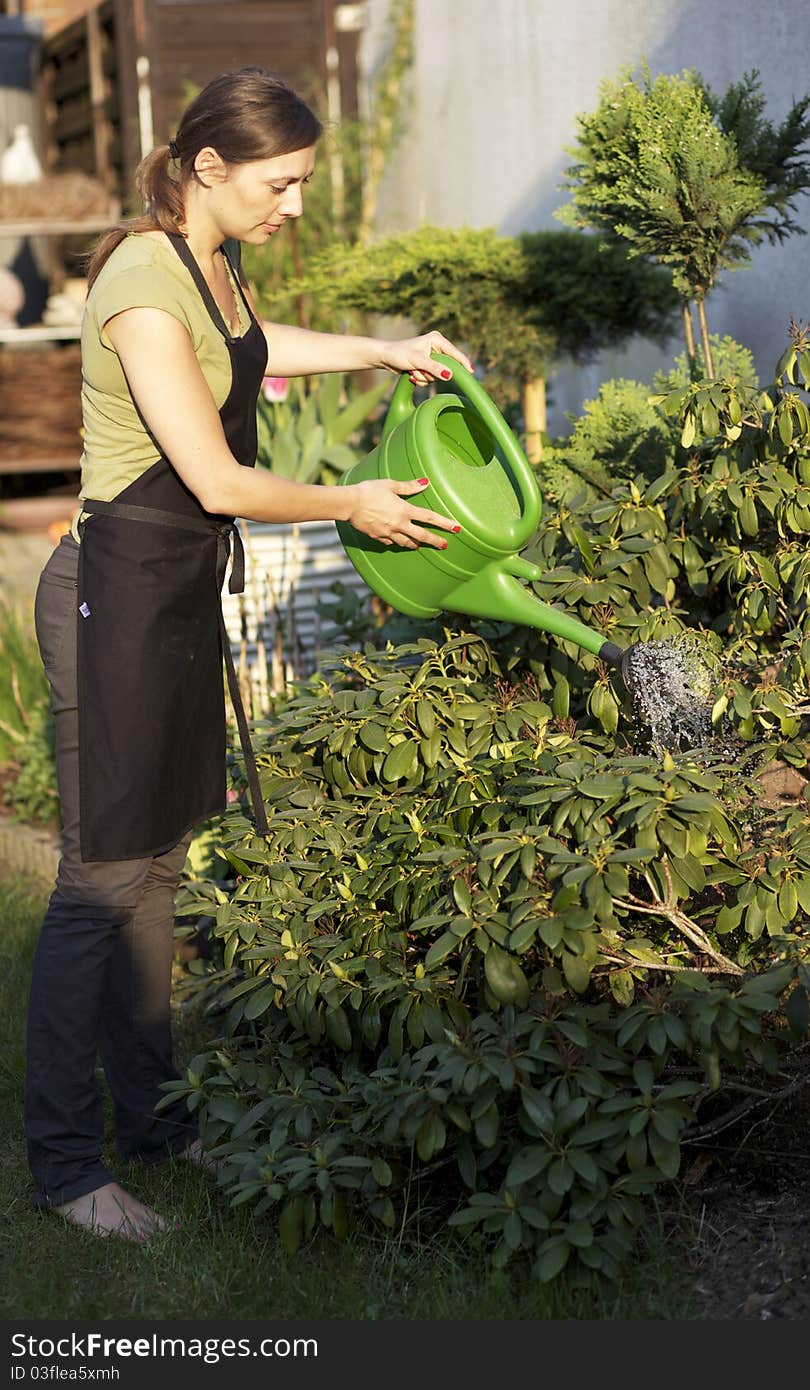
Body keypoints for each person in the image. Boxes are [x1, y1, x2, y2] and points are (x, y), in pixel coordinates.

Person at [25, 66, 470, 1243]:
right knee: (101, 883)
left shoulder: (219, 264)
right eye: (282, 182)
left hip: (172, 594)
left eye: (306, 182)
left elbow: (257, 353)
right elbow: (216, 479)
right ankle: (69, 1171)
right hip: (110, 595)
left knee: (161, 869)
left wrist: (385, 351)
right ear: (209, 169)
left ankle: (158, 1121)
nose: (294, 204)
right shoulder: (139, 279)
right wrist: (353, 503)